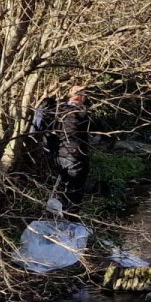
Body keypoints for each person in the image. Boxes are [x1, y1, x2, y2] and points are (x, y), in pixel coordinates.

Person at [53, 85, 90, 213]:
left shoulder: (59, 110)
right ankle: (70, 221)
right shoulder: (82, 111)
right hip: (76, 156)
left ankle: (59, 216)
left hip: (59, 154)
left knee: (63, 186)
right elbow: (96, 128)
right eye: (84, 95)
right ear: (80, 97)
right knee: (75, 191)